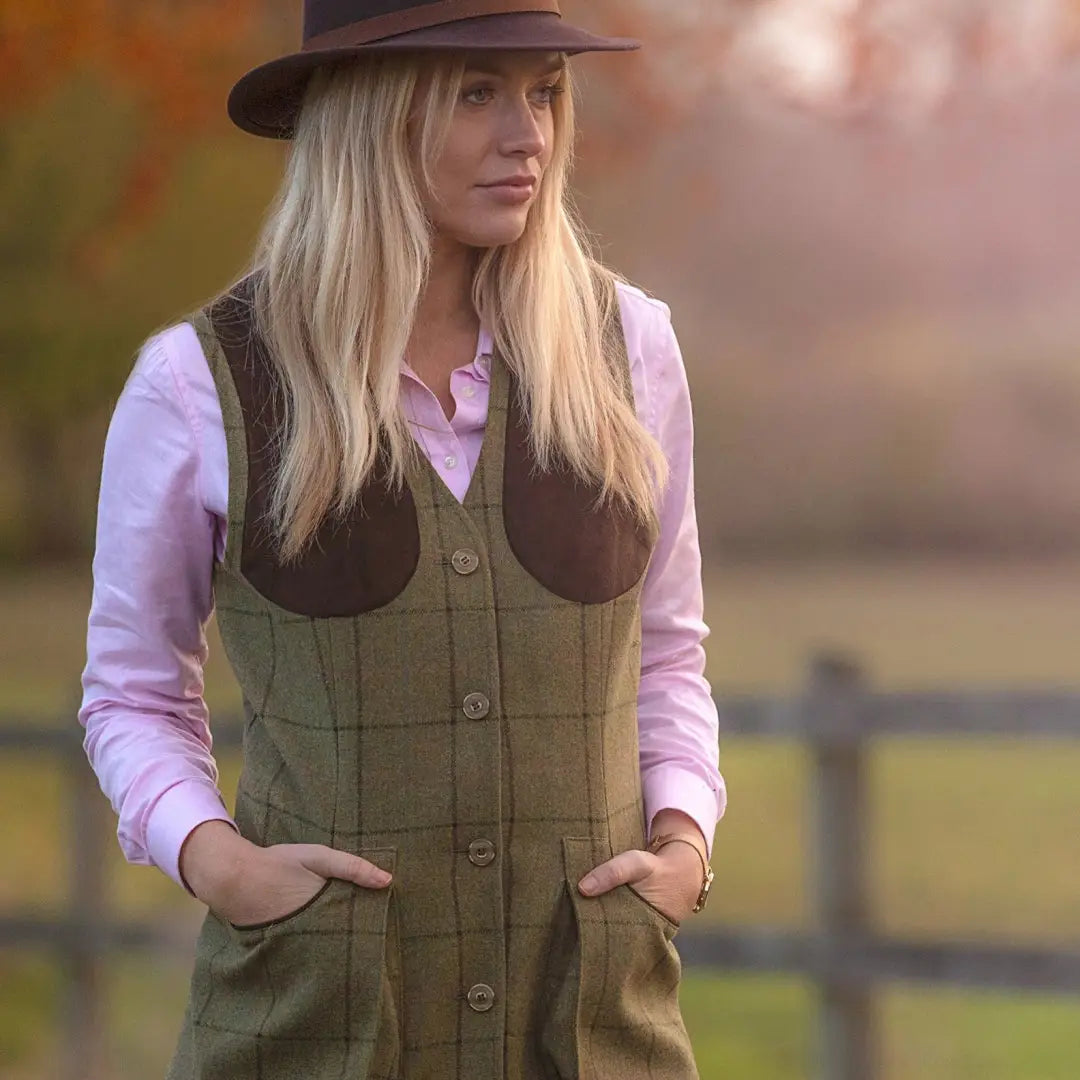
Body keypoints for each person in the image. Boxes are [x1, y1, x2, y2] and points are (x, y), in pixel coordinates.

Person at [78, 2, 726, 1077]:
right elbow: (133, 691)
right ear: (366, 117)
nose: (528, 134)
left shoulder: (635, 352)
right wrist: (220, 864)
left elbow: (667, 649)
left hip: (592, 1024)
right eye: (477, 91)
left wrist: (685, 845)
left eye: (545, 91)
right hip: (310, 1025)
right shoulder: (198, 385)